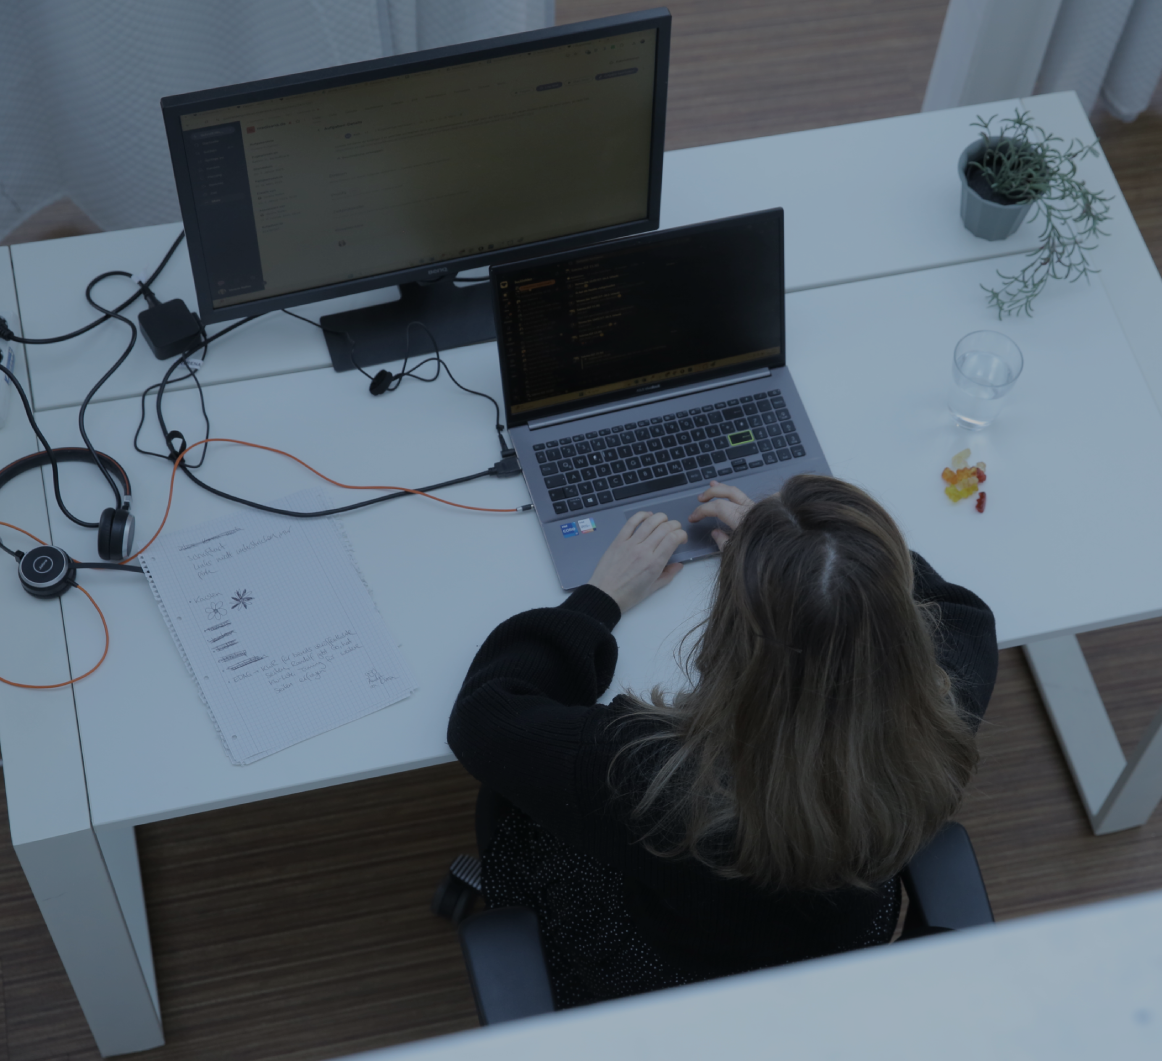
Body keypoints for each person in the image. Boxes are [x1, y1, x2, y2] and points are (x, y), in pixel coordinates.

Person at [447, 475, 997, 1008]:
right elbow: (962, 614)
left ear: (733, 629)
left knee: (513, 802)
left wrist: (601, 597)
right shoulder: (943, 716)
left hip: (653, 967)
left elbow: (484, 715)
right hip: (834, 949)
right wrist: (824, 562)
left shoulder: (645, 772)